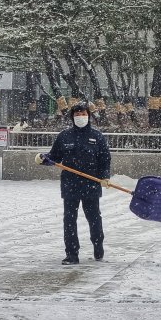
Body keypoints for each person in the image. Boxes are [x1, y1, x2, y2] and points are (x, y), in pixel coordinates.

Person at [35, 101, 111, 265]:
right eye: (77, 115)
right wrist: (44, 159)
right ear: (72, 117)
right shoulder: (64, 136)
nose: (80, 117)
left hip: (92, 183)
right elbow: (54, 157)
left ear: (88, 116)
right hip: (70, 184)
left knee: (94, 218)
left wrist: (105, 177)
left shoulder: (97, 136)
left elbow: (105, 159)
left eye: (83, 114)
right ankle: (71, 254)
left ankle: (98, 246)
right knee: (69, 220)